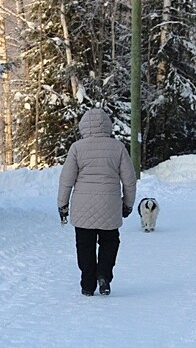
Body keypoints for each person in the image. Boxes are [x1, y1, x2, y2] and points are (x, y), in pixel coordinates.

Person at [57, 108, 137, 296]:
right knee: (110, 241)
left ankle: (87, 284)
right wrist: (128, 204)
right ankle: (104, 274)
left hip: (83, 207)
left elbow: (66, 179)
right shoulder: (118, 148)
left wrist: (62, 204)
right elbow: (129, 180)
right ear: (108, 126)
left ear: (84, 126)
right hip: (110, 205)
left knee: (85, 244)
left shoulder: (77, 148)